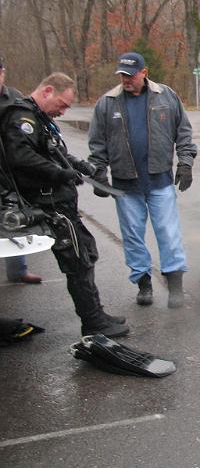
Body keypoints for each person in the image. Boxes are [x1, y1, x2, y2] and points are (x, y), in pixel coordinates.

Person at [0, 72, 129, 337]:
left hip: (61, 203)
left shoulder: (39, 118)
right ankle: (93, 324)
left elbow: (52, 150)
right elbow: (22, 158)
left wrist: (78, 164)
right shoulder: (21, 118)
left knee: (84, 256)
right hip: (49, 204)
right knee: (77, 262)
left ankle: (96, 315)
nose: (63, 111)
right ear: (47, 91)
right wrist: (61, 174)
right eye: (62, 104)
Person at [88, 52, 197, 309]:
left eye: (131, 74)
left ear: (144, 72)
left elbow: (183, 132)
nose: (126, 79)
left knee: (169, 234)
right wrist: (99, 171)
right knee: (133, 236)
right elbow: (97, 142)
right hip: (126, 184)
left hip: (159, 180)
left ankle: (175, 284)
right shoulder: (107, 103)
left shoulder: (166, 96)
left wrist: (185, 162)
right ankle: (143, 282)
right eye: (122, 75)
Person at [0, 58, 43, 285]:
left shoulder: (14, 97)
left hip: (10, 169)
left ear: (3, 73)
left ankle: (18, 270)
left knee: (14, 219)